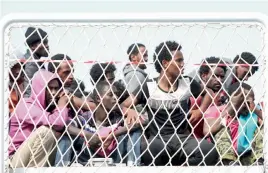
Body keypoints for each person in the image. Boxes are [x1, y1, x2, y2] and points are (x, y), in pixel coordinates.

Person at [122, 41, 218, 166]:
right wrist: (129, 110)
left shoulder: (187, 82)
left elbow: (209, 92)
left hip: (182, 138)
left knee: (209, 150)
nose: (183, 64)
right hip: (158, 138)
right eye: (179, 61)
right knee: (151, 150)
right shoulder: (149, 86)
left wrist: (200, 111)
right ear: (165, 63)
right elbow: (124, 104)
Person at [69, 81, 140, 166]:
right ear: (99, 98)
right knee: (68, 135)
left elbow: (143, 121)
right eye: (111, 95)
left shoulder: (117, 119)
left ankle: (133, 165)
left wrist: (113, 134)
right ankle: (63, 166)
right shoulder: (85, 118)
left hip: (114, 160)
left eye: (116, 94)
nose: (116, 98)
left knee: (134, 131)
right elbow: (66, 126)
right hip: (85, 161)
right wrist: (87, 134)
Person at [9, 70, 69, 167]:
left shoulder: (48, 109)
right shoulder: (26, 106)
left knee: (65, 138)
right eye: (49, 88)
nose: (53, 93)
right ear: (39, 89)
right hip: (15, 160)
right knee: (46, 132)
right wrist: (62, 104)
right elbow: (59, 123)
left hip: (32, 155)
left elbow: (67, 124)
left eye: (56, 88)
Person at [203, 82, 263, 165]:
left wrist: (255, 110)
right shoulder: (217, 110)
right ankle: (228, 161)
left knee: (263, 128)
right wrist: (232, 106)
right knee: (221, 129)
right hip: (221, 157)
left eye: (249, 101)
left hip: (248, 156)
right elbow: (207, 130)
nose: (246, 104)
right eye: (242, 100)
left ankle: (260, 160)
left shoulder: (254, 113)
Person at [190, 57, 227, 139]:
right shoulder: (194, 97)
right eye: (215, 76)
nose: (219, 80)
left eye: (222, 77)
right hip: (192, 139)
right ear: (204, 76)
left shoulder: (222, 96)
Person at [188, 52, 259, 91]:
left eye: (249, 76)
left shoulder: (235, 81)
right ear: (238, 63)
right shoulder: (228, 67)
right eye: (246, 73)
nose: (246, 78)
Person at [23, 27, 49, 98]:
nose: (47, 46)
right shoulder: (31, 63)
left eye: (47, 42)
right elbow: (29, 92)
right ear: (32, 46)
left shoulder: (35, 59)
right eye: (44, 42)